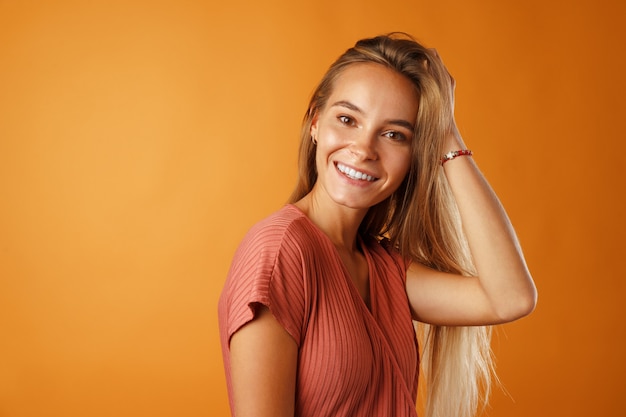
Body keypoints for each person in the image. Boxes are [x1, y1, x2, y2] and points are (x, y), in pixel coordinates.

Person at [218, 33, 537, 417]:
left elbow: (511, 297)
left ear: (415, 155)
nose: (364, 149)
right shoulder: (280, 251)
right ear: (315, 123)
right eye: (347, 119)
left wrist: (446, 135)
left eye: (393, 134)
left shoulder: (385, 267)